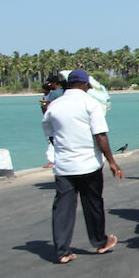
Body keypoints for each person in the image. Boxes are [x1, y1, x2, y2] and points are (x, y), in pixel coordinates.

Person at [42, 68, 124, 265]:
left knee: (63, 208)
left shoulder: (54, 105)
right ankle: (100, 242)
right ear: (85, 84)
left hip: (64, 166)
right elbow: (100, 135)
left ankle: (62, 251)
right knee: (93, 203)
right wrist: (112, 162)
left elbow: (51, 135)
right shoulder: (90, 104)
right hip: (88, 164)